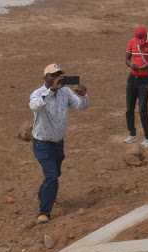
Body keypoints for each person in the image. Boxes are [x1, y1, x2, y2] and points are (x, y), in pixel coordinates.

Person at [29, 63, 89, 223]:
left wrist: (83, 96)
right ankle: (44, 212)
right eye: (53, 75)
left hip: (58, 144)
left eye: (59, 75)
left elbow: (81, 106)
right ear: (45, 78)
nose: (56, 78)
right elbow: (35, 106)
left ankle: (43, 194)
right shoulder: (38, 93)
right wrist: (52, 91)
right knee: (52, 177)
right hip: (42, 144)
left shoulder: (66, 92)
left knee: (54, 175)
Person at [124, 25, 148, 148]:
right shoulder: (132, 42)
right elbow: (127, 59)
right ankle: (132, 133)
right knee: (129, 108)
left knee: (142, 110)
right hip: (133, 78)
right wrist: (131, 65)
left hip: (145, 80)